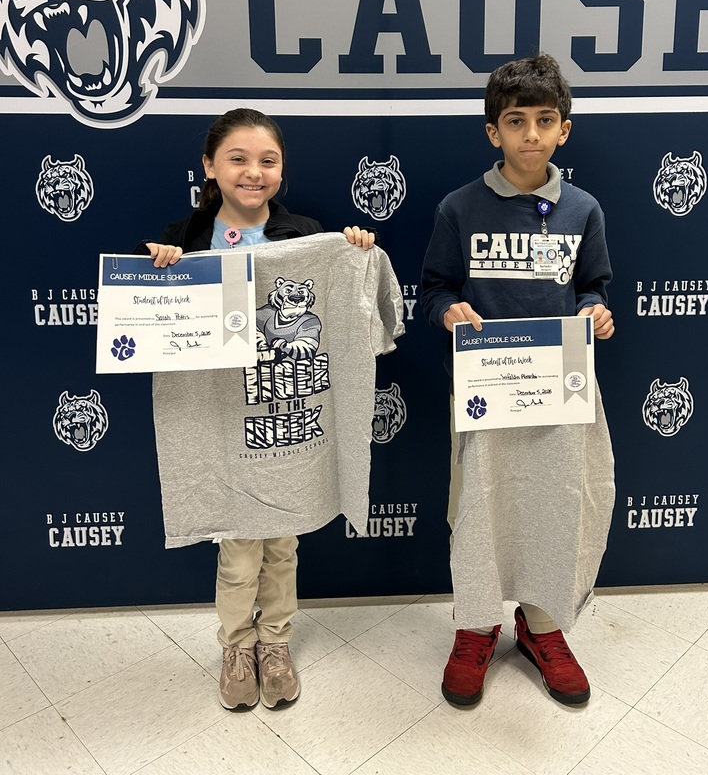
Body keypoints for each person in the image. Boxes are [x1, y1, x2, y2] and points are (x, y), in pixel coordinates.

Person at [137, 107, 374, 713]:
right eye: (237, 159)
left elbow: (344, 300)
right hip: (223, 428)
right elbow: (147, 327)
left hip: (283, 415)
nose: (253, 172)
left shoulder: (307, 237)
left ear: (282, 170)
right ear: (209, 167)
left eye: (267, 161)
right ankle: (237, 645)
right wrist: (159, 269)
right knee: (238, 550)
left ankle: (277, 643)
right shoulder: (182, 240)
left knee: (283, 545)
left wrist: (353, 252)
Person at [421, 54, 615, 708]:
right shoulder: (459, 207)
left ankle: (542, 625)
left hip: (557, 388)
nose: (530, 134)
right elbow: (437, 288)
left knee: (553, 508)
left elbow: (593, 284)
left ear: (564, 129)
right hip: (485, 390)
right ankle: (476, 626)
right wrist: (449, 310)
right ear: (492, 132)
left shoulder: (583, 209)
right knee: (478, 512)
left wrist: (595, 309)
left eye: (544, 120)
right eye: (515, 121)